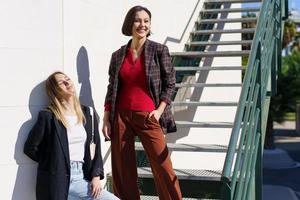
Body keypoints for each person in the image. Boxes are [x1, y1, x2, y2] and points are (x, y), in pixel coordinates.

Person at [102, 5, 182, 200]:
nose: (142, 24)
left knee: (163, 167)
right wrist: (106, 118)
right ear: (130, 23)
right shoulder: (118, 55)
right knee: (123, 170)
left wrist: (159, 110)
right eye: (138, 20)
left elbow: (170, 83)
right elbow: (112, 87)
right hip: (120, 116)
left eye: (146, 21)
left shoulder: (158, 50)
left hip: (148, 116)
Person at [24, 71, 119, 200]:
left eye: (67, 79)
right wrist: (54, 162)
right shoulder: (49, 116)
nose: (67, 82)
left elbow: (95, 146)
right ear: (55, 90)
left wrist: (96, 176)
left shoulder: (87, 113)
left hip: (81, 177)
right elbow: (30, 148)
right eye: (61, 82)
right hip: (57, 182)